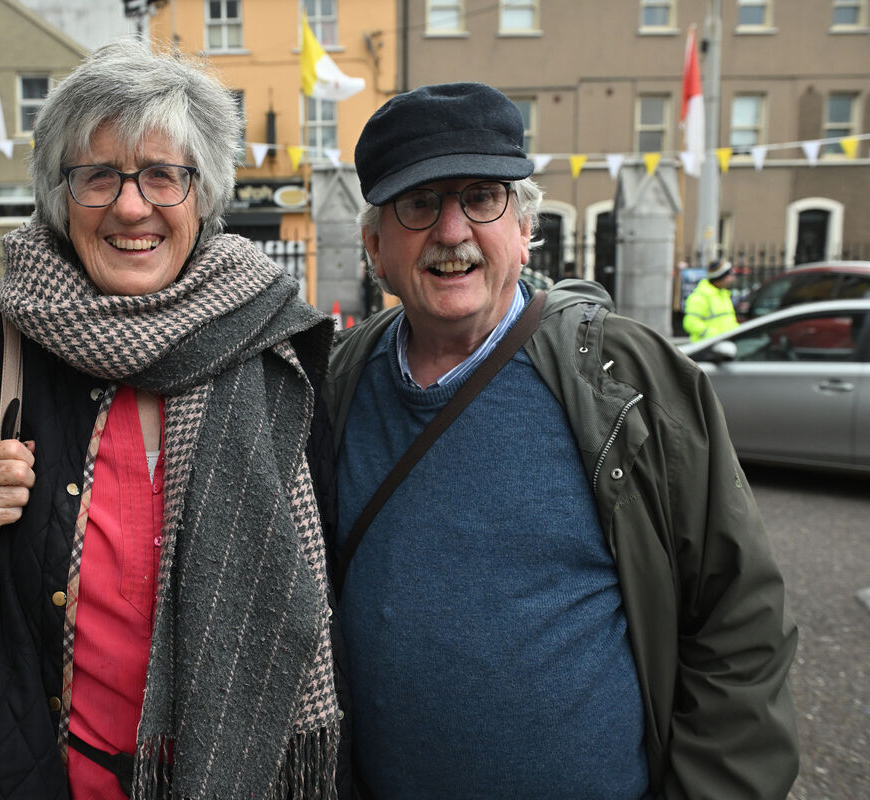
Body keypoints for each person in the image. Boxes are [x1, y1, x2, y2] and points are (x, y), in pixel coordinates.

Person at [0, 42, 340, 800]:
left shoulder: (276, 344)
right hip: (38, 768)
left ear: (203, 194)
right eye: (99, 176)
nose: (132, 206)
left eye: (163, 174)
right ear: (61, 196)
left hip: (242, 770)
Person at [324, 83, 798, 799]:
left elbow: (739, 620)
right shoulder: (335, 387)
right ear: (374, 247)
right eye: (419, 204)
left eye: (481, 197)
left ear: (523, 228)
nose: (451, 231)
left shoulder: (629, 378)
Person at [683, 258, 739, 341]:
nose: (732, 279)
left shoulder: (723, 294)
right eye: (729, 276)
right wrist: (714, 335)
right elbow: (690, 323)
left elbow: (728, 320)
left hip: (726, 343)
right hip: (707, 347)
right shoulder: (700, 296)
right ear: (719, 277)